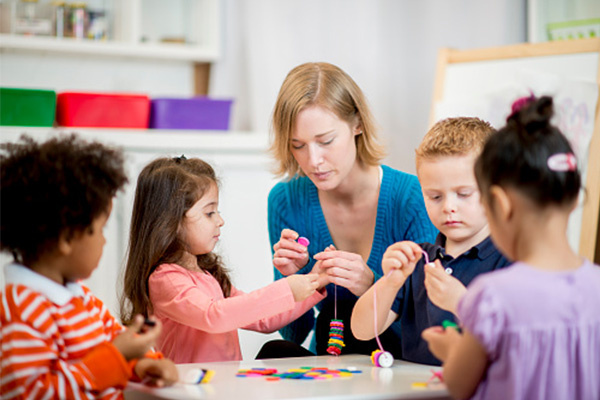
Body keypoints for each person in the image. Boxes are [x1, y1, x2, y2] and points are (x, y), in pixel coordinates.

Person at [422, 96, 600, 399]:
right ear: (573, 200)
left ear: (500, 205)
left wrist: (451, 349)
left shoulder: (492, 297)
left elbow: (460, 384)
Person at [268, 62, 438, 355]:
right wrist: (292, 282)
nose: (313, 160)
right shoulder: (285, 200)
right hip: (329, 370)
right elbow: (294, 334)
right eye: (298, 145)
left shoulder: (413, 198)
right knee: (275, 351)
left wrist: (372, 286)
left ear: (357, 124)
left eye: (326, 141)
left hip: (400, 368)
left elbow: (428, 328)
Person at [0, 135, 178, 399]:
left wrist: (141, 363)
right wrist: (118, 356)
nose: (104, 240)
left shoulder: (81, 298)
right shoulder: (22, 311)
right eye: (99, 229)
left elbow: (114, 341)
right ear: (67, 239)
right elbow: (33, 394)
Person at [120, 156, 329, 364]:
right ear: (171, 222)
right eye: (209, 213)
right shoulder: (166, 280)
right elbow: (214, 317)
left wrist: (314, 280)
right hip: (192, 391)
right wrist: (287, 289)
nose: (220, 220)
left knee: (277, 350)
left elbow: (264, 319)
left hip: (225, 387)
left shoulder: (210, 277)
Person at [351, 117, 510, 365]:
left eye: (464, 194)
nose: (448, 207)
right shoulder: (418, 260)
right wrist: (390, 283)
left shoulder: (511, 262)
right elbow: (361, 330)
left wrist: (462, 303)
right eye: (435, 196)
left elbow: (520, 346)